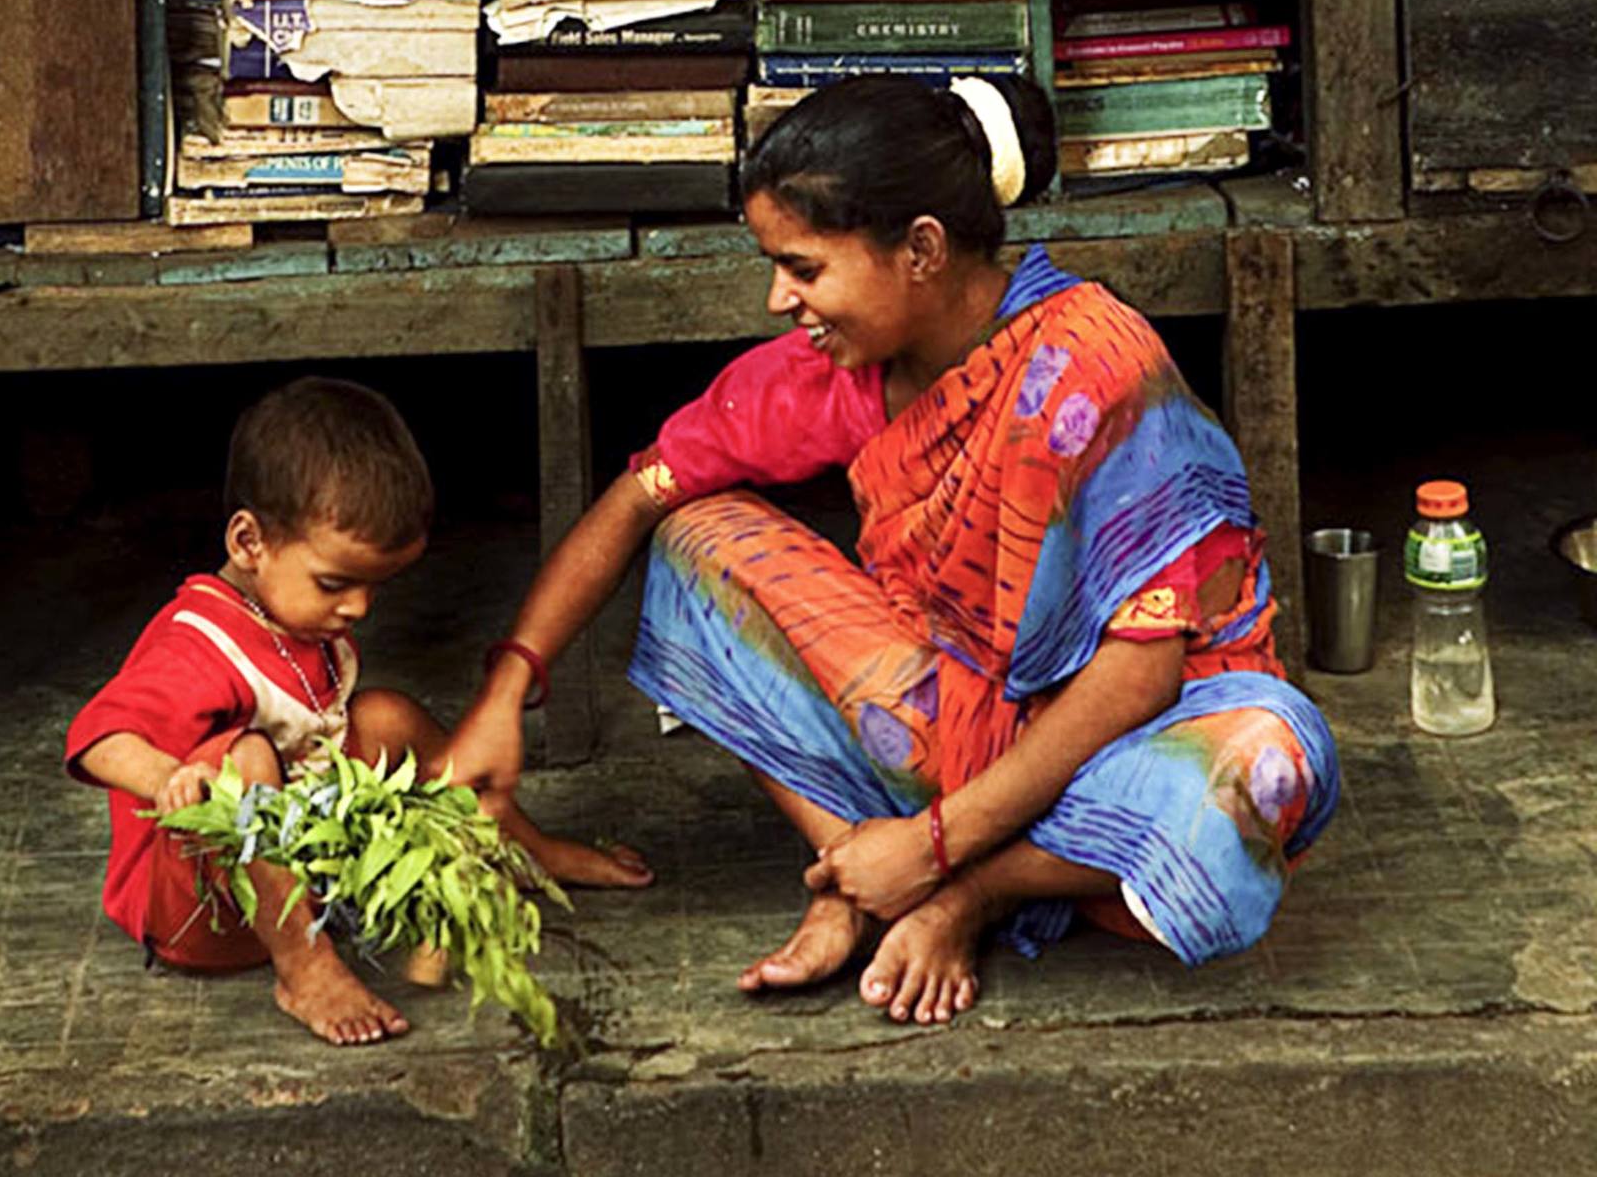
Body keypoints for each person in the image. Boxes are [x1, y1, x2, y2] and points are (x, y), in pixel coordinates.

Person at [444, 75, 1338, 1026]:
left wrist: (941, 850)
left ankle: (960, 893)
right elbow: (636, 497)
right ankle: (857, 873)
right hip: (947, 720)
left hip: (1124, 738)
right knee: (696, 540)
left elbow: (1142, 675)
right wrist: (506, 694)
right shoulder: (836, 373)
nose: (778, 298)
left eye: (804, 267)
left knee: (1265, 763)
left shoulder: (1093, 364)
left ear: (920, 249)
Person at [66, 377, 650, 1048]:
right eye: (336, 583)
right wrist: (170, 777)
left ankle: (521, 846)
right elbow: (95, 737)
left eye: (375, 586)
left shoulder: (297, 618)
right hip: (204, 914)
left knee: (387, 716)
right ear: (248, 541)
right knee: (246, 759)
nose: (360, 609)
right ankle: (304, 971)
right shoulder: (197, 644)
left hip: (309, 870)